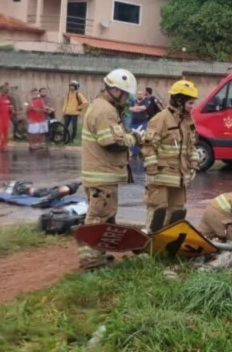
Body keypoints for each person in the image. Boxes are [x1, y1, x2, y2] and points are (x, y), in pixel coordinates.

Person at [78, 68, 139, 270]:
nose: (127, 99)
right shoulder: (105, 110)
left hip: (101, 175)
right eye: (125, 94)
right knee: (97, 219)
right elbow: (111, 142)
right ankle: (91, 261)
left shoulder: (101, 106)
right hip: (101, 175)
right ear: (115, 90)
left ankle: (100, 255)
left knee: (105, 216)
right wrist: (133, 138)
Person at [141, 80, 200, 232]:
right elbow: (148, 146)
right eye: (190, 103)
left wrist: (193, 166)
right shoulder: (160, 119)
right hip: (161, 177)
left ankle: (166, 247)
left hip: (180, 179)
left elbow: (191, 145)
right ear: (180, 101)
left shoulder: (188, 121)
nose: (193, 107)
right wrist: (152, 171)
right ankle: (151, 246)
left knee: (177, 213)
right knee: (157, 211)